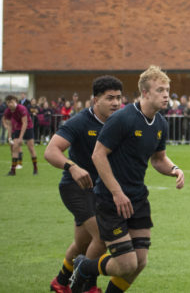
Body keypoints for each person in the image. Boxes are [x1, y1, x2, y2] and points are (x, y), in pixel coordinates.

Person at [69, 66, 185, 293]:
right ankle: (84, 267)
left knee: (140, 262)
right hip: (111, 200)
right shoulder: (123, 118)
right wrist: (116, 192)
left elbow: (159, 159)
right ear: (145, 92)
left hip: (138, 199)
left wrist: (175, 169)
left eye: (167, 90)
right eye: (160, 90)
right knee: (126, 263)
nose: (165, 95)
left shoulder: (161, 123)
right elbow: (98, 155)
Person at [45, 76, 124, 293]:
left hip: (99, 190)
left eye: (118, 98)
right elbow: (50, 151)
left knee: (82, 244)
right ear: (95, 100)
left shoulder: (120, 121)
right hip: (75, 188)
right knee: (102, 236)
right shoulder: (80, 122)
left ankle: (60, 282)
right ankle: (86, 286)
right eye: (110, 98)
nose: (116, 103)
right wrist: (72, 166)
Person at [4, 94, 38, 175]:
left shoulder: (21, 108)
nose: (10, 104)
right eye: (8, 102)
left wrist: (20, 138)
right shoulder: (7, 111)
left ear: (15, 101)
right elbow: (9, 125)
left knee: (31, 148)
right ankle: (13, 171)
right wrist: (9, 137)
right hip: (18, 128)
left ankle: (35, 169)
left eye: (11, 102)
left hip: (28, 127)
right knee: (15, 147)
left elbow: (25, 123)